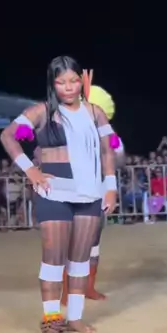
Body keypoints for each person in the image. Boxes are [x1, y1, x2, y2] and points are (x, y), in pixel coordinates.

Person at [0, 56, 118, 333]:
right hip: (55, 194)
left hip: (90, 194)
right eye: (61, 82)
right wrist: (31, 170)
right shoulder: (41, 111)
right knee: (53, 260)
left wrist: (110, 188)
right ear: (53, 84)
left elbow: (107, 151)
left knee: (80, 260)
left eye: (74, 80)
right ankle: (52, 321)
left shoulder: (95, 113)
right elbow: (8, 136)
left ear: (81, 82)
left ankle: (74, 317)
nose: (68, 87)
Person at [61, 73, 125, 303]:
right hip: (75, 193)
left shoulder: (109, 136)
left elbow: (119, 161)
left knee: (94, 242)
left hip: (98, 194)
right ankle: (67, 290)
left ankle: (89, 287)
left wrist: (112, 145)